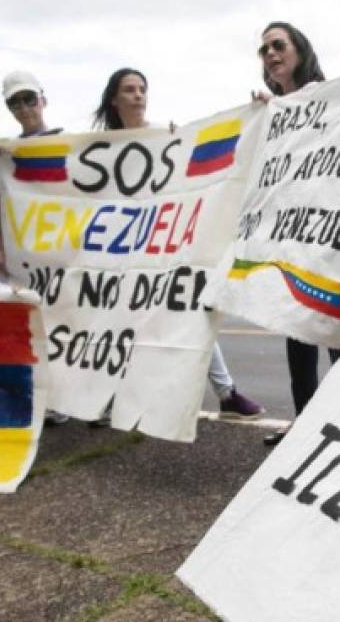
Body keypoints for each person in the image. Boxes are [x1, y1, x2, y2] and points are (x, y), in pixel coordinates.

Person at [91, 67, 263, 422]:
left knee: (191, 310)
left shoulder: (166, 136)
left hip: (164, 248)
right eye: (129, 89)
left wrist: (256, 112)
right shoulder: (100, 149)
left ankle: (226, 393)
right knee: (114, 325)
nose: (138, 95)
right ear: (114, 98)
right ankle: (103, 396)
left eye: (142, 88)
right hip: (119, 253)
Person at [257, 21, 340, 446]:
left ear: (299, 50)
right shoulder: (269, 111)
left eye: (278, 45)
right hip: (290, 239)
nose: (271, 54)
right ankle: (305, 423)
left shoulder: (330, 97)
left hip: (329, 237)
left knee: (335, 336)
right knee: (296, 332)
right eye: (264, 50)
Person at [0, 70, 68, 424]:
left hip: (74, 253)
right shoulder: (5, 156)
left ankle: (93, 399)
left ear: (43, 99)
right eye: (15, 102)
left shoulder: (72, 143)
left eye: (29, 99)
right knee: (45, 330)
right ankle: (56, 401)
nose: (24, 107)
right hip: (32, 258)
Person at [2, 70, 63, 138]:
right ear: (9, 107)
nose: (24, 109)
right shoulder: (9, 148)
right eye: (15, 102)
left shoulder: (68, 143)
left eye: (30, 99)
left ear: (44, 101)